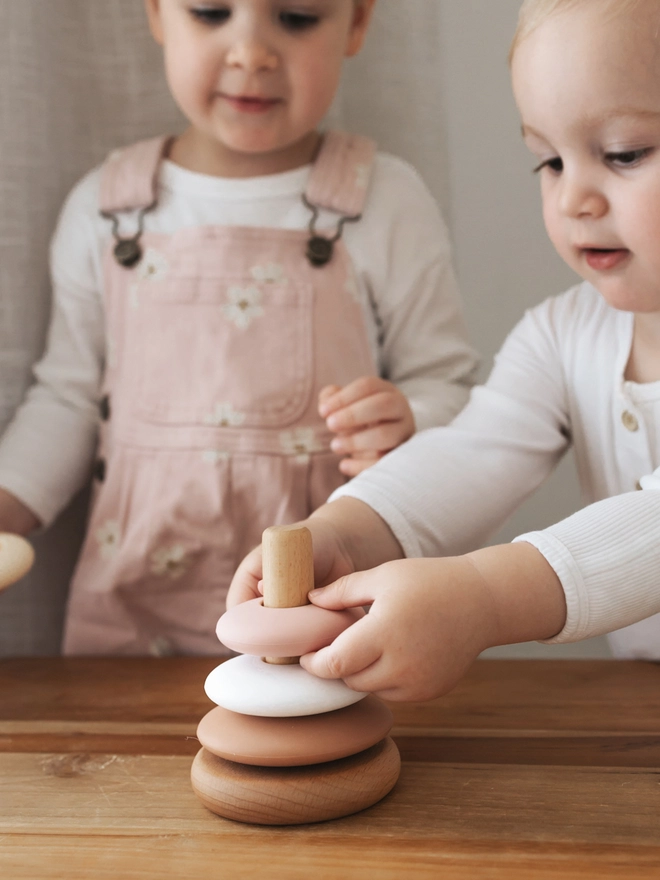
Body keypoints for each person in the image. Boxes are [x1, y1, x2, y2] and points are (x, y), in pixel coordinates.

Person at [0, 0, 477, 655]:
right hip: (135, 614)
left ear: (357, 24)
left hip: (321, 605)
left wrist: (411, 422)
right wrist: (8, 504)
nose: (251, 52)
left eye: (298, 18)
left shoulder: (386, 201)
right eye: (210, 12)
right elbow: (68, 397)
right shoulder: (107, 210)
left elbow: (447, 381)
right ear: (159, 15)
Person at [229, 0, 660, 700]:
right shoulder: (561, 334)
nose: (574, 196)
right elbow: (471, 453)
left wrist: (483, 597)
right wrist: (345, 529)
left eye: (624, 153)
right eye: (549, 161)